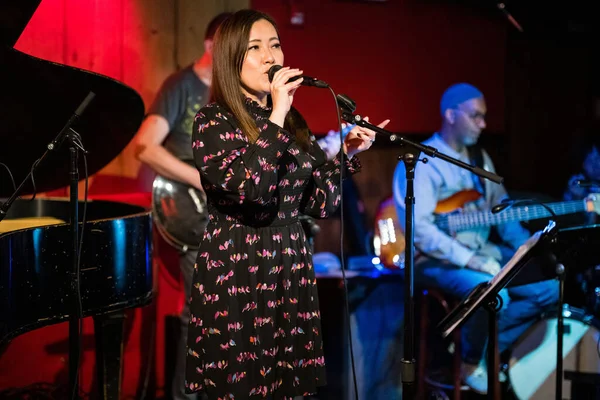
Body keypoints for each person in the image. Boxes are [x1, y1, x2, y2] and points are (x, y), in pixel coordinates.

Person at [185, 9, 389, 399]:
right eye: (255, 48)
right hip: (239, 266)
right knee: (242, 386)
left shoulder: (291, 121)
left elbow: (319, 202)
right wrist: (277, 112)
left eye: (275, 45)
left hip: (289, 263)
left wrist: (344, 157)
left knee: (288, 387)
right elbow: (251, 190)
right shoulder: (213, 122)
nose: (270, 57)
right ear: (231, 58)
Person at [392, 83, 559, 394]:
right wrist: (470, 259)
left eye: (484, 117)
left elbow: (502, 215)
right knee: (492, 292)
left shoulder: (481, 159)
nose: (483, 124)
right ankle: (469, 361)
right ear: (451, 115)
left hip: (484, 252)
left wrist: (526, 250)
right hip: (434, 261)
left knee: (548, 289)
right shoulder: (421, 162)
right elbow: (422, 231)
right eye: (476, 116)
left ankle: (477, 350)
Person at [132, 12, 232, 400]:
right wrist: (198, 179)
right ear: (210, 46)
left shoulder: (234, 95)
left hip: (226, 219)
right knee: (201, 315)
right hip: (190, 213)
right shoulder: (181, 85)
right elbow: (144, 146)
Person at [563, 133, 600, 225]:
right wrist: (579, 197)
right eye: (589, 160)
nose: (595, 164)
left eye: (597, 158)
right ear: (582, 164)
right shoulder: (576, 185)